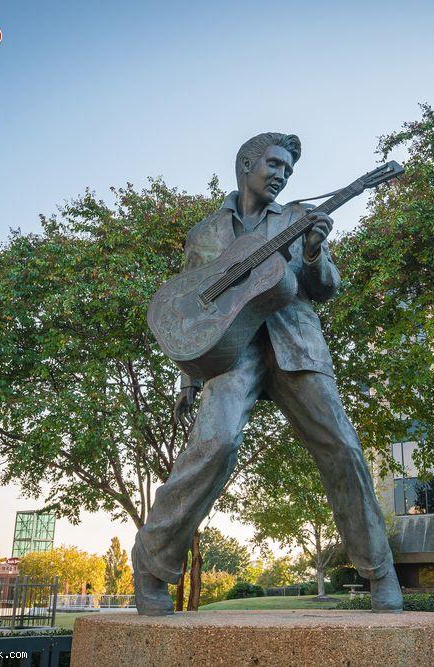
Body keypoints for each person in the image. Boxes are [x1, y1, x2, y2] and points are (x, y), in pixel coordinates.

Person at [132, 132, 402, 614]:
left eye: (289, 170)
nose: (281, 174)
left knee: (341, 446)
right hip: (232, 354)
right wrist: (188, 377)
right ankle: (151, 566)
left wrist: (315, 252)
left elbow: (325, 288)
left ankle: (379, 571)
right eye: (274, 164)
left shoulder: (298, 218)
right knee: (214, 445)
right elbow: (192, 309)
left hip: (296, 344)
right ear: (246, 164)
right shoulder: (205, 235)